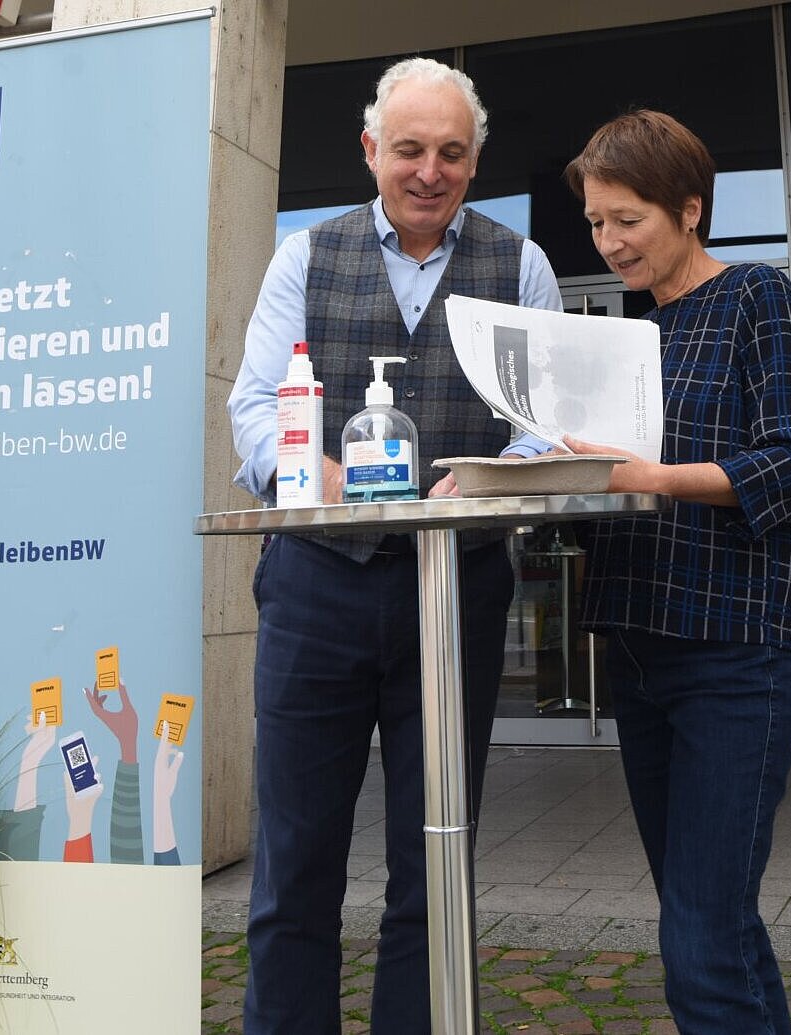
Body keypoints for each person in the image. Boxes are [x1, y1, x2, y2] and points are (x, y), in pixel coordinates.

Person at [227, 57, 562, 1034]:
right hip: (316, 585)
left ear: (474, 159)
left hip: (458, 589)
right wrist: (314, 477)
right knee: (293, 862)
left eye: (451, 153)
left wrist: (497, 478)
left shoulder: (522, 267)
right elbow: (254, 408)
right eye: (409, 149)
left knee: (436, 858)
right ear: (372, 149)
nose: (430, 170)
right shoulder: (304, 256)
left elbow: (547, 426)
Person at [562, 110, 791, 1034]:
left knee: (701, 941)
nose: (609, 241)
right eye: (596, 222)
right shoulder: (628, 339)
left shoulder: (758, 295)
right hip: (636, 647)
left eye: (626, 219)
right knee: (713, 924)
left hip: (733, 652)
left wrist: (648, 478)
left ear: (689, 208)